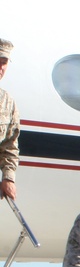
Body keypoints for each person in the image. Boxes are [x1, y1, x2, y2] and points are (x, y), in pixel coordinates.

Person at [0, 38, 18, 201]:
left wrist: (8, 177)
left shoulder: (7, 102)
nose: (0, 68)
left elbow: (10, 145)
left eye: (4, 63)